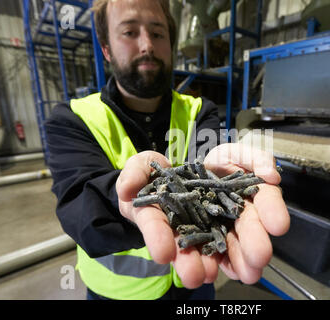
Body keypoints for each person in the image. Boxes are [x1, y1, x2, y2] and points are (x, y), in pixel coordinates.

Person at [44, 0, 289, 300]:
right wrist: (133, 200)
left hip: (195, 285)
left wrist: (222, 188)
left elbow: (206, 169)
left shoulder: (199, 109)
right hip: (118, 294)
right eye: (130, 32)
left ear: (171, 44)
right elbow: (78, 205)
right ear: (106, 49)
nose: (147, 44)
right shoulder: (71, 118)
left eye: (158, 33)